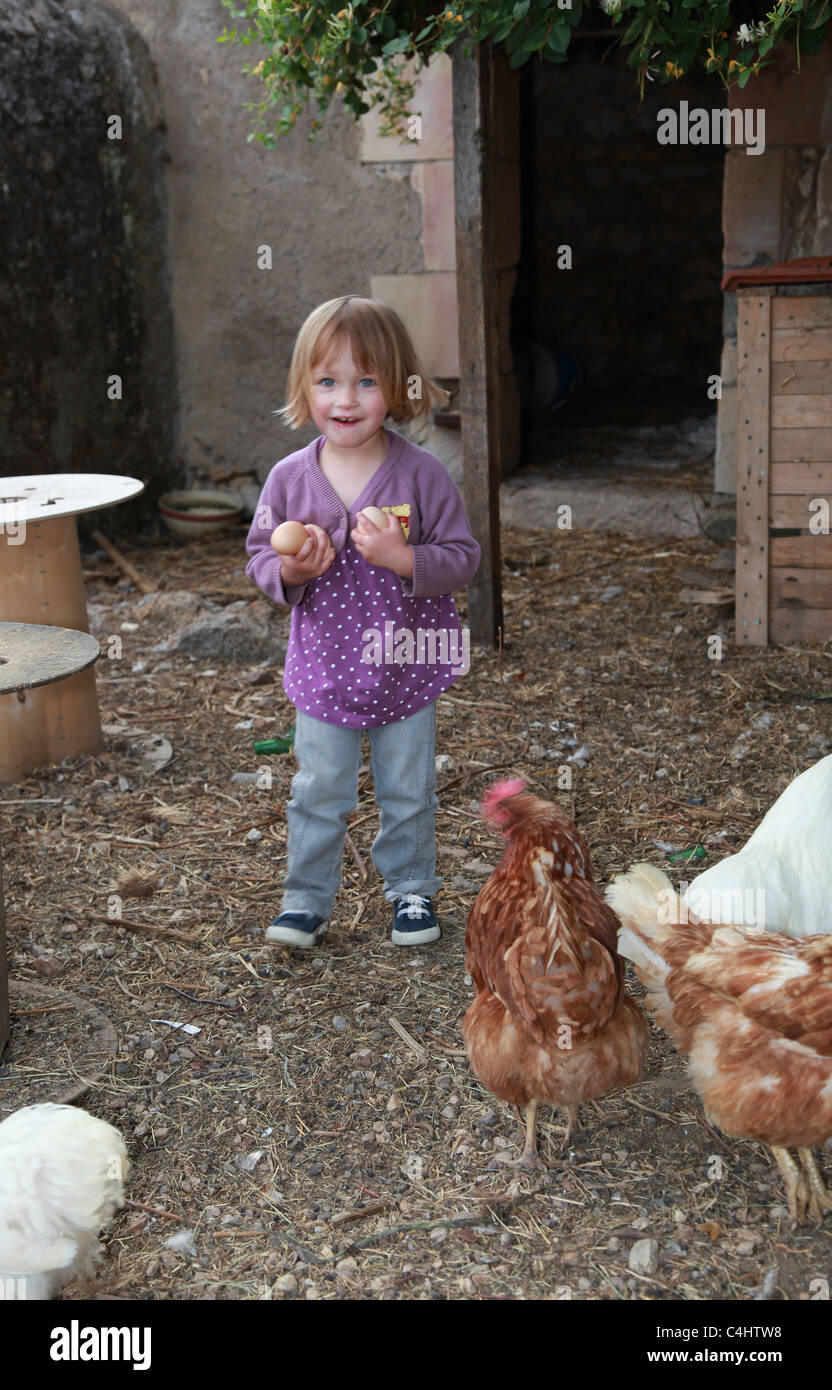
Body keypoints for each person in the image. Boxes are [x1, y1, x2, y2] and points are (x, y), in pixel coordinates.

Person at [245, 296, 480, 950]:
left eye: (367, 381)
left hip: (407, 666)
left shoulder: (424, 475)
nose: (345, 399)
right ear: (304, 388)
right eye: (328, 381)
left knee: (409, 791)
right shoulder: (290, 481)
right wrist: (292, 573)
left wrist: (405, 558)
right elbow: (261, 556)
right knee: (318, 792)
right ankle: (305, 901)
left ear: (400, 388)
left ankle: (411, 892)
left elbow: (464, 558)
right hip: (323, 673)